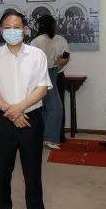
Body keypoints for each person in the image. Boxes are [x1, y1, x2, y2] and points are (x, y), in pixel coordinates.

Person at [0, 9, 53, 209]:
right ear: (1, 30)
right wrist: (9, 111)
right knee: (1, 171)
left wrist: (19, 108)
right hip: (3, 120)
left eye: (17, 27)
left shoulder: (37, 55)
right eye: (8, 28)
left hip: (31, 119)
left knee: (33, 171)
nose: (12, 31)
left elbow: (42, 88)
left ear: (25, 29)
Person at [30, 14, 69, 149]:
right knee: (54, 108)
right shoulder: (56, 40)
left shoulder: (37, 41)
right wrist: (57, 64)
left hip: (46, 75)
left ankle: (48, 137)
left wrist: (56, 64)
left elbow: (32, 63)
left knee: (50, 108)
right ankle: (49, 138)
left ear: (40, 26)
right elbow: (65, 58)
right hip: (50, 74)